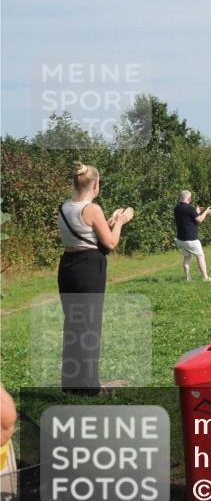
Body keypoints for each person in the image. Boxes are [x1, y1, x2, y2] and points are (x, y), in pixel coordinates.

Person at [56, 162, 134, 395]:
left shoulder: (64, 207)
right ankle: (90, 387)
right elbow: (109, 243)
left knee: (73, 325)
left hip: (68, 267)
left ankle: (71, 384)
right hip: (89, 268)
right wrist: (119, 222)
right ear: (96, 184)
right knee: (89, 326)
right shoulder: (93, 209)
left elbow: (85, 235)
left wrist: (109, 223)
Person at [174, 190, 211, 281]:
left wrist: (196, 212)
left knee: (187, 257)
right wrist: (206, 212)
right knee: (200, 256)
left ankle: (188, 279)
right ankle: (205, 277)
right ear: (189, 198)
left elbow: (188, 218)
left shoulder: (177, 208)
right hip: (191, 239)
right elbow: (199, 220)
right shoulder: (189, 208)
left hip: (181, 239)